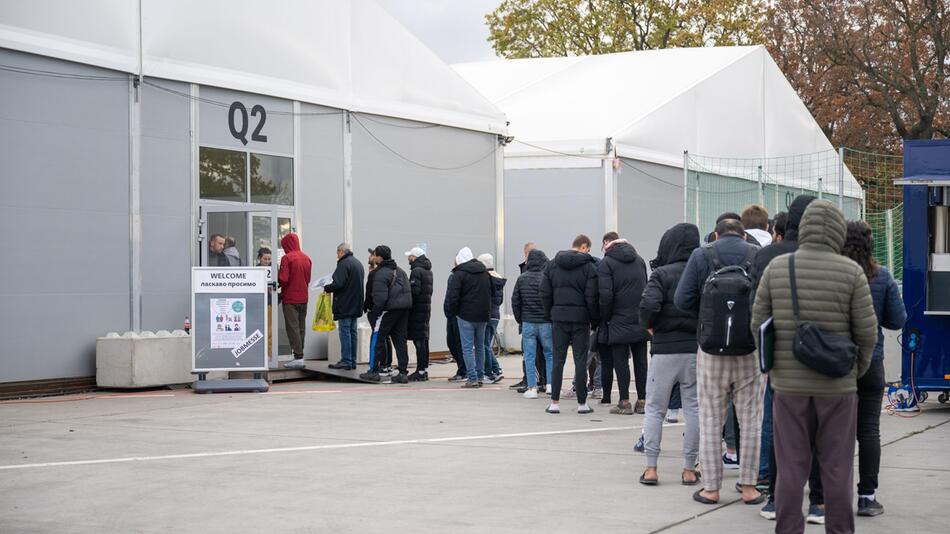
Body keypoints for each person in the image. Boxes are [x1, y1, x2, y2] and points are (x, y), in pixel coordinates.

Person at [752, 200, 878, 533]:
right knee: (837, 468)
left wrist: (773, 366)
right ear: (837, 230)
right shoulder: (851, 272)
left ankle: (789, 528)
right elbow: (867, 333)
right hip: (838, 387)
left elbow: (759, 323)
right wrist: (855, 371)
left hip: (789, 388)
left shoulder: (777, 268)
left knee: (791, 467)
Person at [674, 218, 765, 506]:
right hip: (749, 350)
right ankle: (749, 487)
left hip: (711, 351)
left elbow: (681, 299)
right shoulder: (757, 255)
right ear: (744, 235)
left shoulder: (702, 255)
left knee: (711, 418)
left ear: (715, 234)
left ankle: (711, 488)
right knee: (751, 420)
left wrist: (705, 318)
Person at [752, 196, 826, 522]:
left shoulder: (767, 256)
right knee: (821, 430)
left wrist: (765, 356)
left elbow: (758, 314)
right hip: (823, 358)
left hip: (781, 359)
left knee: (777, 426)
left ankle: (774, 495)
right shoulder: (831, 258)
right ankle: (819, 502)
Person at [842, 220, 906, 517]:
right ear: (871, 244)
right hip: (872, 361)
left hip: (837, 363)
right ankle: (867, 496)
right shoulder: (882, 277)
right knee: (869, 430)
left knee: (834, 430)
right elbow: (897, 320)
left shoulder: (836, 275)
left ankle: (833, 492)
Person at [638, 222, 701, 485]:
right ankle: (689, 468)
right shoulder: (701, 271)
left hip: (664, 348)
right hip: (694, 349)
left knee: (655, 409)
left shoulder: (661, 274)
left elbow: (648, 304)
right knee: (694, 409)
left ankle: (651, 468)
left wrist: (650, 326)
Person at [541, 234, 599, 414]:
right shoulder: (589, 267)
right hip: (581, 320)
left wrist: (550, 313)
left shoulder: (552, 264)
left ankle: (554, 403)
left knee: (558, 359)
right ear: (583, 246)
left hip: (559, 319)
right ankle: (582, 403)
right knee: (580, 360)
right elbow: (592, 297)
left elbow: (544, 292)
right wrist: (593, 319)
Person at [596, 232, 650, 415]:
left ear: (608, 247)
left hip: (618, 319)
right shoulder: (640, 260)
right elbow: (647, 287)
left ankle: (624, 401)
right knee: (641, 361)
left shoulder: (606, 263)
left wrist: (605, 317)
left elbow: (605, 295)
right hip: (640, 318)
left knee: (620, 362)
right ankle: (642, 400)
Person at [360, 245, 412, 383]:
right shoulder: (400, 271)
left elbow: (380, 298)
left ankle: (374, 370)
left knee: (377, 338)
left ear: (379, 257)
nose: (373, 257)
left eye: (375, 255)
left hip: (387, 311)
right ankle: (402, 373)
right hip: (403, 310)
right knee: (400, 341)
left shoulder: (380, 273)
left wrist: (376, 313)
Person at [446, 247, 492, 388]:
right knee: (480, 347)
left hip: (465, 315)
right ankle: (480, 376)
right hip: (483, 315)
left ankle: (471, 377)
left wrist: (452, 312)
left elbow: (453, 296)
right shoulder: (485, 272)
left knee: (467, 348)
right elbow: (491, 292)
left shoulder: (459, 274)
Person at [512, 249, 553, 399]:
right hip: (546, 323)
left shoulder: (522, 278)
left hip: (528, 322)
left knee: (529, 356)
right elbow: (551, 299)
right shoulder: (547, 278)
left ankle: (532, 387)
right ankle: (550, 385)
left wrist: (520, 319)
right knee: (549, 354)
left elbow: (515, 301)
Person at [324, 243, 364, 371]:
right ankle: (352, 361)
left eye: (337, 252)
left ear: (341, 251)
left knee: (345, 332)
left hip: (345, 304)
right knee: (353, 332)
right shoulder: (358, 263)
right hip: (355, 304)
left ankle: (346, 360)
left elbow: (339, 284)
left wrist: (327, 287)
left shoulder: (343, 263)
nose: (337, 255)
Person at [278, 233, 312, 369]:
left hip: (290, 298)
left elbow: (283, 279)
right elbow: (308, 279)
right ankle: (300, 355)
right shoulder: (306, 258)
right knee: (301, 327)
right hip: (303, 297)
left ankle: (298, 357)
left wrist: (277, 277)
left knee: (292, 328)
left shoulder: (287, 258)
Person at [406, 247, 434, 382]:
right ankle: (424, 369)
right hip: (425, 309)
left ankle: (420, 371)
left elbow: (414, 292)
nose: (408, 259)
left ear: (414, 258)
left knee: (419, 341)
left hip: (417, 310)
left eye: (410, 256)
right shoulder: (428, 271)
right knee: (424, 339)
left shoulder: (416, 271)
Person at [479, 253, 507, 383]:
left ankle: (490, 372)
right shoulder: (498, 278)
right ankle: (496, 369)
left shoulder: (485, 278)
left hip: (486, 314)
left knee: (484, 345)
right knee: (487, 344)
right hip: (496, 315)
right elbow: (499, 301)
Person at [444, 265, 467, 382]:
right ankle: (462, 368)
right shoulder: (453, 276)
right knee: (452, 343)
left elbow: (455, 296)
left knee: (459, 344)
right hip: (451, 314)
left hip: (457, 314)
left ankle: (464, 370)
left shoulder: (460, 276)